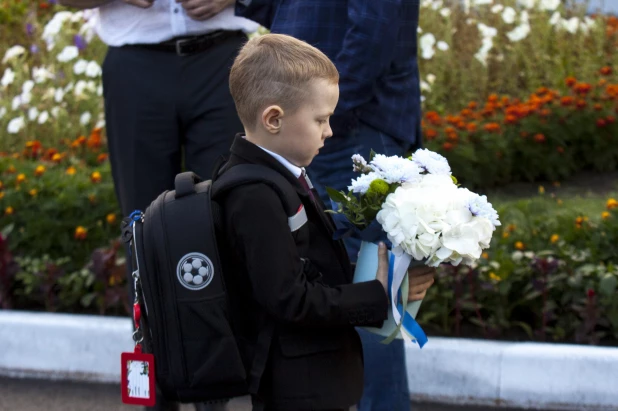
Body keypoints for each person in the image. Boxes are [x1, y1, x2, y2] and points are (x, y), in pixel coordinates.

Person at [215, 33, 435, 411]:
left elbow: (307, 270)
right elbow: (289, 298)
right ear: (273, 119)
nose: (329, 131)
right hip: (294, 389)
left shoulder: (280, 175)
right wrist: (375, 297)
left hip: (312, 380)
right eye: (321, 119)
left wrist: (385, 281)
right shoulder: (254, 193)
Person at [57, 0, 258, 410]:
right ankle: (154, 398)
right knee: (141, 233)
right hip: (136, 67)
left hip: (225, 63)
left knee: (225, 223)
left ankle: (216, 392)